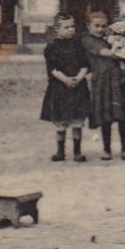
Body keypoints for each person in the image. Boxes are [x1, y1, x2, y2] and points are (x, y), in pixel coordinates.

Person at [82, 11, 125, 160]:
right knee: (106, 116)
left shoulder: (111, 38)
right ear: (88, 26)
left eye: (103, 26)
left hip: (121, 79)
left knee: (123, 116)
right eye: (96, 26)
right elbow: (107, 53)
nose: (100, 29)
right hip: (103, 81)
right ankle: (107, 149)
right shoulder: (88, 41)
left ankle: (124, 149)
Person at [40, 14, 91, 163]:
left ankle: (77, 151)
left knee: (77, 120)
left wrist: (79, 77)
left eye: (72, 26)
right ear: (57, 29)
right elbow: (53, 69)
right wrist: (66, 80)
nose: (70, 30)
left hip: (78, 85)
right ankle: (60, 151)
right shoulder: (52, 47)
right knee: (61, 121)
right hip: (60, 87)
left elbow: (85, 64)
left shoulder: (79, 45)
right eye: (66, 27)